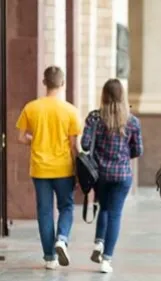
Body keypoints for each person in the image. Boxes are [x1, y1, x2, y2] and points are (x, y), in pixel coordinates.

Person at [16, 66, 81, 269]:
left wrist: (35, 140)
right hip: (63, 168)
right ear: (62, 83)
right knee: (66, 207)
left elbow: (20, 137)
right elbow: (73, 145)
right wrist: (78, 171)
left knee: (44, 211)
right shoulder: (70, 111)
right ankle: (62, 238)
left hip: (40, 168)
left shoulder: (31, 108)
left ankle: (49, 257)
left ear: (44, 83)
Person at [81, 79, 143, 273]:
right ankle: (106, 259)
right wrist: (123, 156)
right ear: (122, 96)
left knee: (104, 208)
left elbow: (84, 144)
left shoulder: (94, 118)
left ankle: (99, 242)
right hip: (122, 175)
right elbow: (137, 150)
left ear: (104, 95)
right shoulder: (132, 121)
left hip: (100, 174)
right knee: (114, 213)